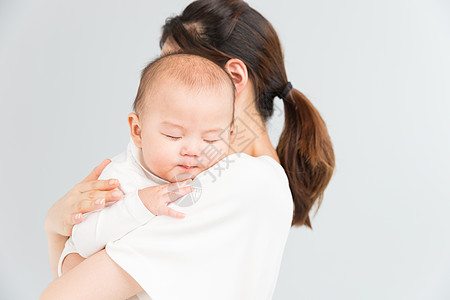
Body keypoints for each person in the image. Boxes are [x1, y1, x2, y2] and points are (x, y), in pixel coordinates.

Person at [42, 0, 335, 299]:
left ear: (234, 78)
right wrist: (56, 225)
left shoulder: (241, 180)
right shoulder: (235, 177)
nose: (162, 87)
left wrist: (56, 228)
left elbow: (63, 294)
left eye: (177, 70)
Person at [56, 52, 237, 277]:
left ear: (230, 135)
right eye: (173, 136)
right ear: (138, 131)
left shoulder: (223, 174)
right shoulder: (119, 178)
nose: (192, 151)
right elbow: (82, 241)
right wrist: (141, 204)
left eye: (210, 139)